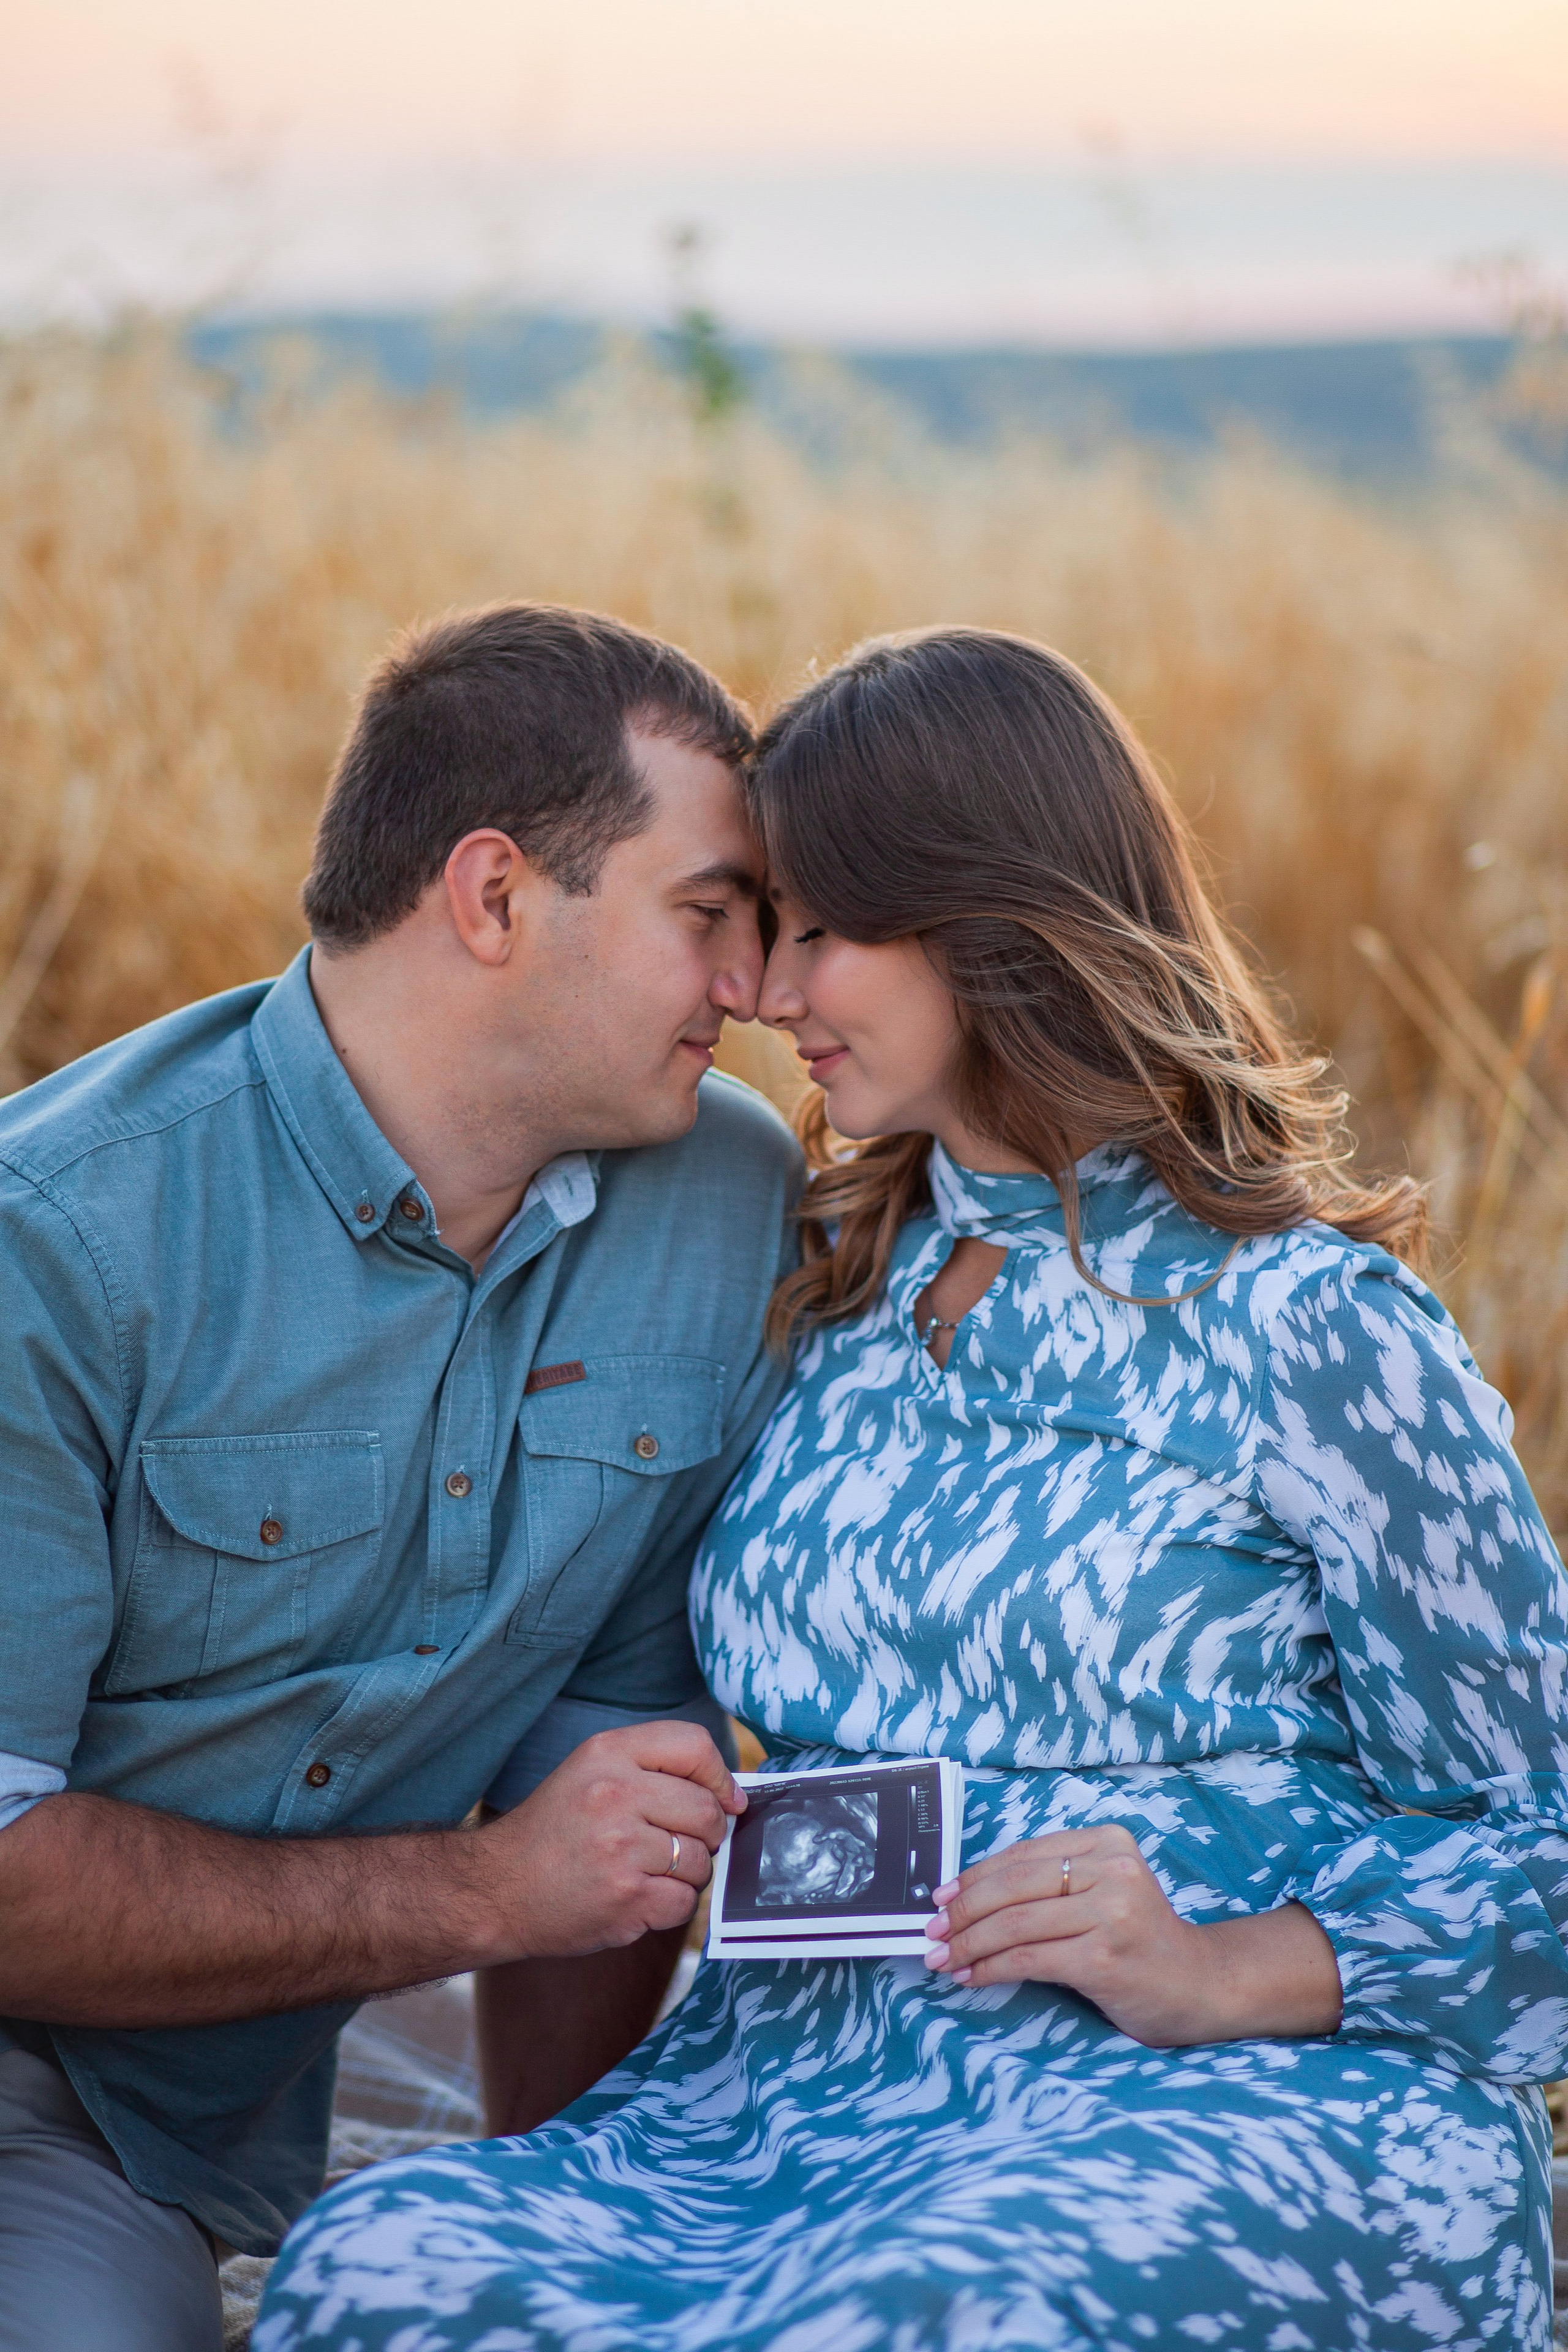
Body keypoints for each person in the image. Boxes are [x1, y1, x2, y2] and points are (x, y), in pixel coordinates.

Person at [258, 625, 1568, 2352]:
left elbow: (1544, 1837)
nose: (766, 993)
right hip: (791, 2100)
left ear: (991, 921)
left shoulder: (1307, 1327)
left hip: (1219, 2106)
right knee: (380, 2269)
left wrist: (1222, 1969)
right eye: (751, 929)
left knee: (929, 2314)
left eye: (818, 932)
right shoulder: (819, 1284)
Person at [0, 601, 801, 2350]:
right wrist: (483, 1891)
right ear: (495, 896)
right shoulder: (53, 1244)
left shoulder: (726, 1203)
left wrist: (546, 2213)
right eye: (707, 917)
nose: (753, 989)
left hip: (211, 2121)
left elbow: (614, 1760)